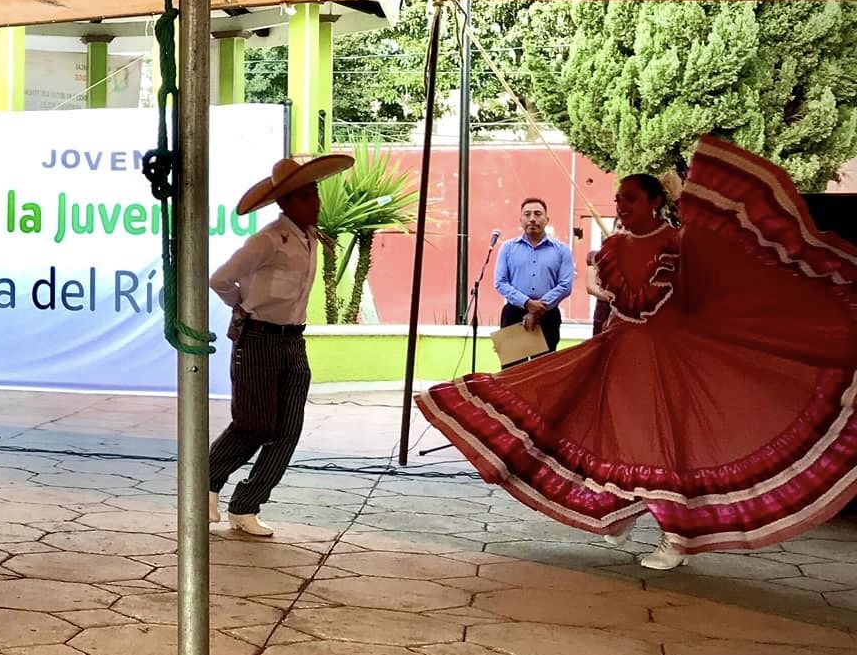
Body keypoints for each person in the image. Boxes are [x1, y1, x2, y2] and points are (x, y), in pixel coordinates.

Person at [420, 141, 857, 573]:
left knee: (667, 445)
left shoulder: (677, 243)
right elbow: (616, 300)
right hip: (622, 351)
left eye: (629, 198)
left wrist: (625, 290)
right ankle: (621, 511)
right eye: (617, 198)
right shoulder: (614, 248)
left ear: (654, 202)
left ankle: (677, 537)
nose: (621, 205)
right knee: (617, 435)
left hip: (669, 355)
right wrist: (610, 287)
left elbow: (656, 302)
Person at [206, 153, 353, 537]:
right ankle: (204, 480)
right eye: (306, 196)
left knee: (288, 429)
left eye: (315, 193)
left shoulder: (309, 240)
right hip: (258, 338)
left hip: (293, 341)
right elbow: (221, 278)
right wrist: (243, 304)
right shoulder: (268, 240)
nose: (316, 202)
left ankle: (246, 505)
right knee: (254, 423)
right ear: (286, 202)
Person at [493, 195, 575, 360]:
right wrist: (527, 303)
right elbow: (500, 282)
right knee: (512, 372)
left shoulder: (562, 250)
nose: (532, 219)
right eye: (527, 214)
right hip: (513, 315)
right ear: (520, 219)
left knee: (542, 372)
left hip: (548, 316)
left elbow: (565, 285)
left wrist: (537, 310)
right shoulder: (507, 248)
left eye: (538, 214)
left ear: (547, 219)